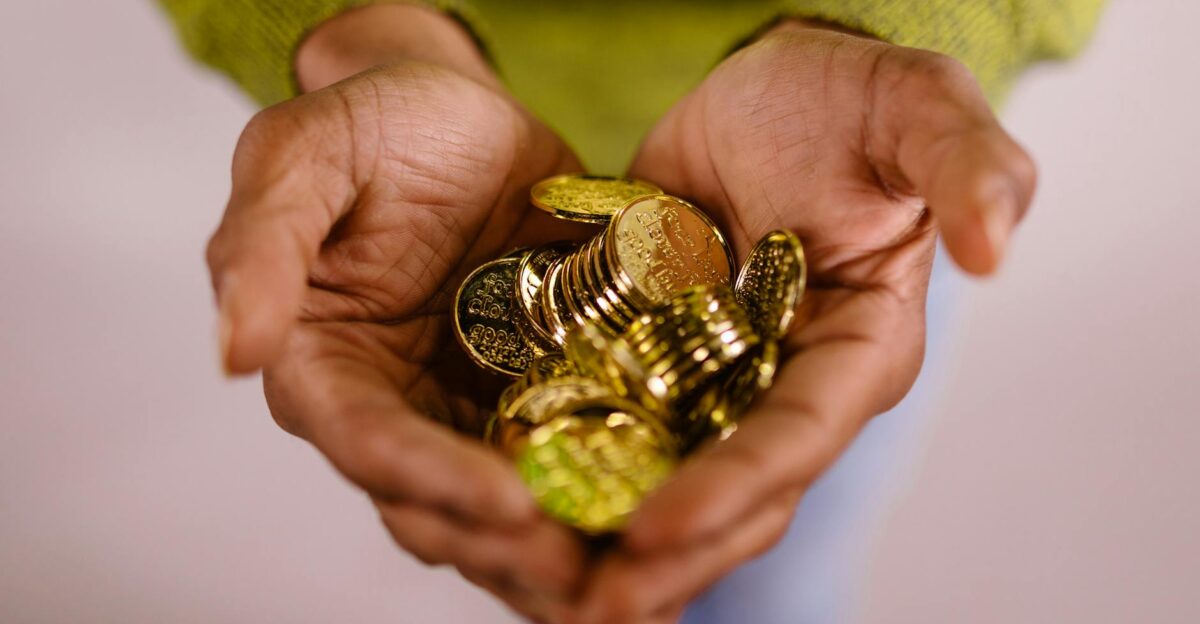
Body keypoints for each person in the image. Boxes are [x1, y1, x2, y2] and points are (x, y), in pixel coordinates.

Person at [159, 1, 1105, 621]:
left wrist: (893, 30)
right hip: (431, 176)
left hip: (844, 215)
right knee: (571, 547)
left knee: (777, 558)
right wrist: (358, 31)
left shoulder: (842, 232)